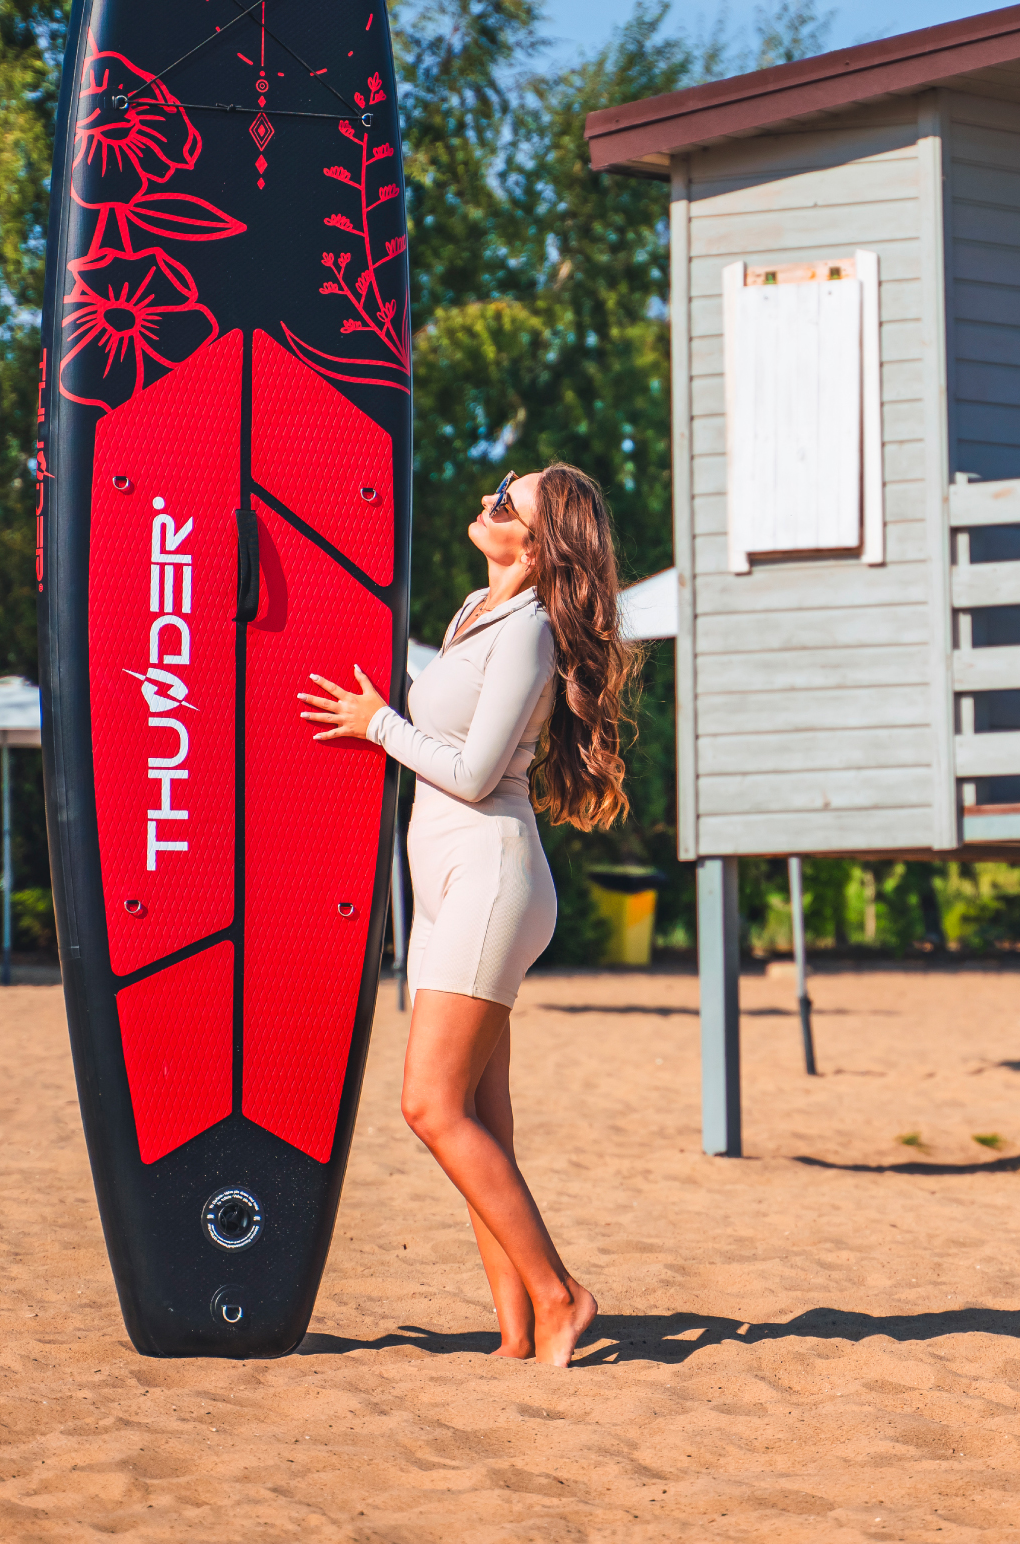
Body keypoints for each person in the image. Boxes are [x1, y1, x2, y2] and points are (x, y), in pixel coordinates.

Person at [300, 462, 640, 1368]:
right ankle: (517, 1331)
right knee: (482, 1115)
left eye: (506, 502)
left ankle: (562, 1295)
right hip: (450, 878)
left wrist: (376, 723)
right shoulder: (469, 614)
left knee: (430, 1106)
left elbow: (475, 772)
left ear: (532, 546)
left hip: (490, 875)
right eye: (498, 487)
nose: (488, 501)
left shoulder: (527, 630)